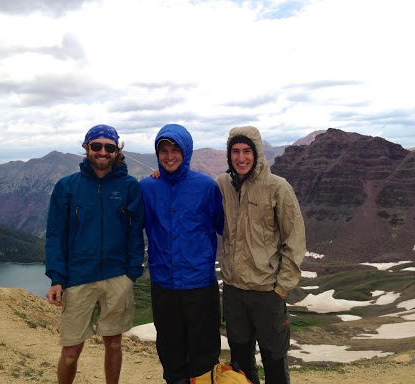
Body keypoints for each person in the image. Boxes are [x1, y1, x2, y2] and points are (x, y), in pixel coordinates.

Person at [45, 124, 145, 384]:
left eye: (109, 147)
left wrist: (131, 273)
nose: (103, 152)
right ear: (86, 148)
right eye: (96, 146)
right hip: (78, 278)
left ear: (117, 151)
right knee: (71, 349)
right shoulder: (67, 187)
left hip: (117, 277)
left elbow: (136, 233)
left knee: (113, 343)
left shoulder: (129, 186)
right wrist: (57, 277)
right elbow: (55, 234)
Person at [215, 126, 306, 384]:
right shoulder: (222, 185)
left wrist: (280, 288)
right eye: (235, 151)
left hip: (267, 292)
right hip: (234, 291)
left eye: (247, 151)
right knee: (240, 365)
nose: (241, 158)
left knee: (274, 362)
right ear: (229, 154)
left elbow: (295, 238)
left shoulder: (278, 188)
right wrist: (160, 175)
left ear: (257, 153)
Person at [140, 124, 224, 384]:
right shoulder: (147, 187)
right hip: (164, 286)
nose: (169, 156)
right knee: (171, 353)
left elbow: (222, 225)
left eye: (175, 149)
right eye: (163, 150)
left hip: (199, 285)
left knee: (204, 355)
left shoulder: (206, 186)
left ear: (185, 151)